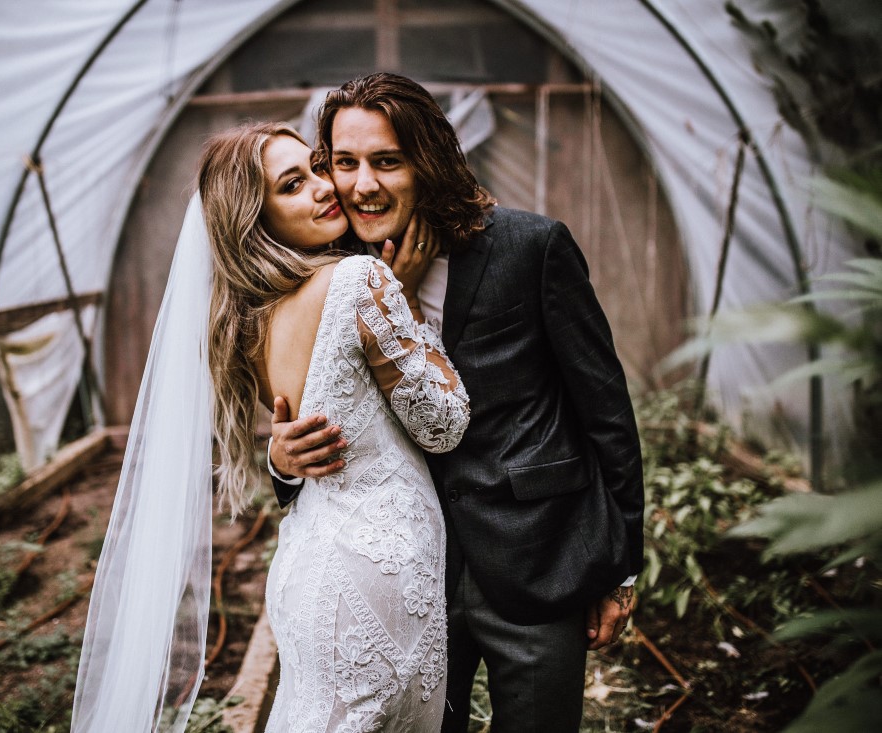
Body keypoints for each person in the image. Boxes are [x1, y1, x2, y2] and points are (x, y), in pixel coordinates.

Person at [268, 73, 645, 733]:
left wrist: (619, 565)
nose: (363, 185)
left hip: (536, 559)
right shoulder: (330, 272)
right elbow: (293, 401)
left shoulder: (532, 247)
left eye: (387, 161)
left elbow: (605, 410)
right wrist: (279, 458)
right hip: (408, 581)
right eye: (345, 163)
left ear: (429, 161)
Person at [71, 121, 470, 732]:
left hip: (308, 567)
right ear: (257, 220)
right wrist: (408, 304)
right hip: (379, 573)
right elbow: (443, 427)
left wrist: (280, 461)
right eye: (292, 186)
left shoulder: (246, 327)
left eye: (313, 168)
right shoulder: (361, 282)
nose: (322, 187)